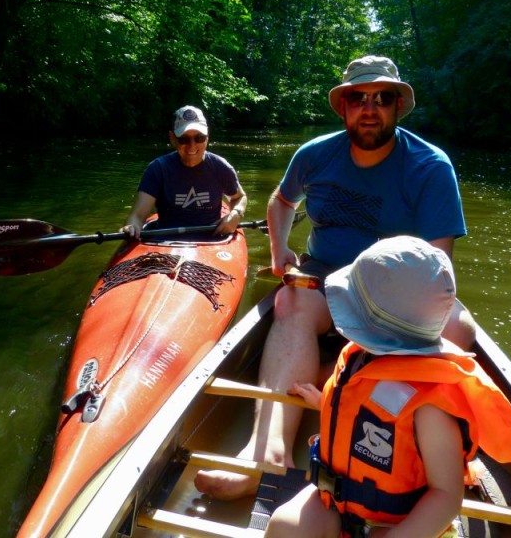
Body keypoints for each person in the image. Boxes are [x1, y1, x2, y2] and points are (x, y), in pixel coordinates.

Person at [194, 55, 476, 500]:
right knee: (289, 300)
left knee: (459, 328)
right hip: (325, 277)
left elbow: (437, 269)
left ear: (398, 106)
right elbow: (281, 202)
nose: (370, 109)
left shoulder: (431, 166)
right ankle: (266, 453)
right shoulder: (315, 155)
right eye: (358, 98)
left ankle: (334, 376)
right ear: (344, 106)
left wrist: (397, 320)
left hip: (396, 291)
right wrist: (280, 251)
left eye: (382, 99)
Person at [265, 236, 511, 538]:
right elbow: (361, 410)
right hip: (337, 502)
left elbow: (446, 495)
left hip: (399, 523)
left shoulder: (430, 403)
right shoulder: (358, 358)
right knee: (285, 526)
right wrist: (326, 401)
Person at [121, 105, 247, 239]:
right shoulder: (157, 169)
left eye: (199, 138)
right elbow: (137, 216)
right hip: (165, 241)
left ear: (207, 137)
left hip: (211, 238)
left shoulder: (220, 167)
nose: (192, 145)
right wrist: (132, 226)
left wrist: (236, 213)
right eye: (184, 139)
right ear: (172, 138)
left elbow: (239, 197)